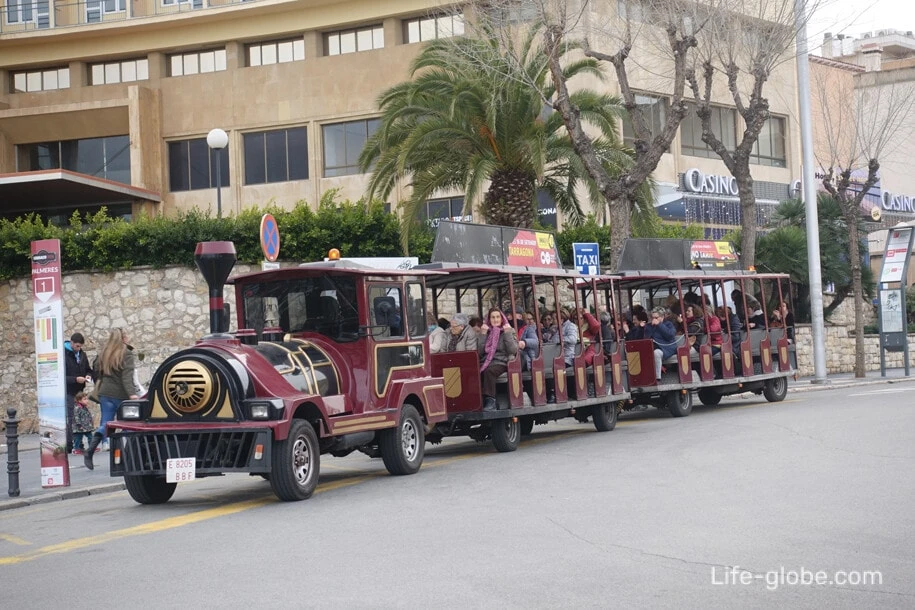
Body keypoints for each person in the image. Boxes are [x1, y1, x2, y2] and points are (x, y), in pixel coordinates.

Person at [85, 328, 143, 470]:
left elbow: (97, 370)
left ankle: (90, 450)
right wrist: (132, 395)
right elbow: (126, 377)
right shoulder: (126, 353)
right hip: (121, 394)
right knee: (129, 425)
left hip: (105, 393)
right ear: (123, 338)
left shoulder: (104, 352)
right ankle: (129, 458)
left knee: (106, 423)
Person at [478, 309, 519, 411]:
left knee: (489, 371)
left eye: (497, 317)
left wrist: (507, 333)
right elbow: (479, 352)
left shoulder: (509, 330)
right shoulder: (485, 331)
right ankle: (477, 400)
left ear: (502, 319)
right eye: (492, 317)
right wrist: (483, 335)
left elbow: (513, 350)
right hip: (486, 361)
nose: (495, 320)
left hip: (502, 361)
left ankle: (490, 400)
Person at [64, 332, 93, 453]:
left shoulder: (82, 355)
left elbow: (88, 369)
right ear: (71, 343)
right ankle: (71, 445)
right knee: (72, 418)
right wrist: (75, 379)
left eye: (80, 346)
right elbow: (61, 377)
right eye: (77, 346)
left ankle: (79, 444)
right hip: (69, 391)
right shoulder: (63, 355)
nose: (78, 349)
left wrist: (88, 375)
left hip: (80, 391)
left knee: (81, 417)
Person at [644, 306, 678, 381]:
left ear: (662, 317)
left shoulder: (668, 324)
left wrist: (659, 325)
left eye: (656, 317)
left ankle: (657, 377)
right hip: (653, 346)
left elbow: (670, 335)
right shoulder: (649, 326)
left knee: (656, 353)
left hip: (666, 347)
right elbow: (646, 338)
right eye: (652, 317)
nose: (654, 319)